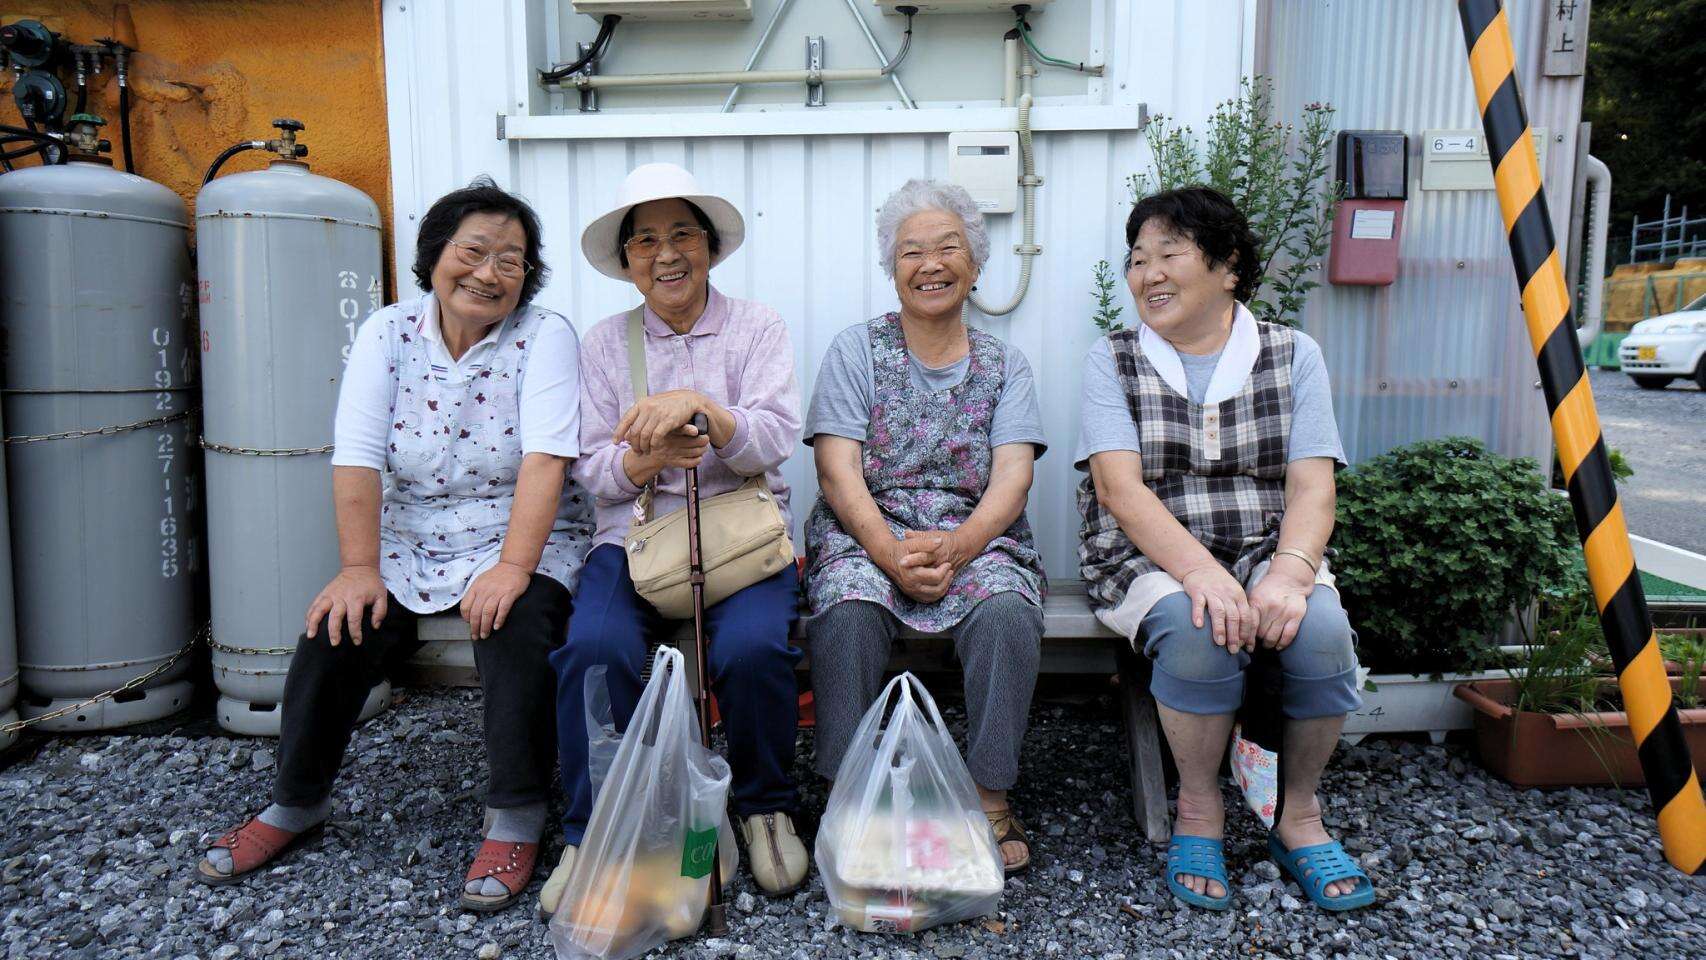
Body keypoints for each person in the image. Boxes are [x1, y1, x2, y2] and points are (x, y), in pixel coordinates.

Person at [197, 178, 592, 915]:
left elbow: (546, 459)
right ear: (434, 255)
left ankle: (515, 815)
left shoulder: (546, 336)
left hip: (519, 533)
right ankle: (296, 800)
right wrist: (357, 567)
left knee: (514, 620)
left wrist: (511, 567)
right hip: (409, 536)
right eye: (473, 251)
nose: (489, 272)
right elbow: (356, 454)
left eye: (512, 260)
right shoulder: (387, 332)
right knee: (336, 626)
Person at [1077, 186, 1373, 911]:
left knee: (1322, 631)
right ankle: (1199, 808)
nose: (1148, 274)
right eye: (1137, 259)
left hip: (1266, 550)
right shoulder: (1112, 359)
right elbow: (1120, 489)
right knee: (1196, 626)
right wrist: (1201, 573)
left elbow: (1312, 488)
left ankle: (1297, 815)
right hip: (1145, 556)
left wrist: (1292, 573)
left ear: (1228, 267)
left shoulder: (1293, 354)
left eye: (1169, 254)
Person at [541, 163, 806, 918]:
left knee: (754, 649)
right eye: (646, 240)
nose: (667, 254)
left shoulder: (758, 327)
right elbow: (592, 469)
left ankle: (764, 806)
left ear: (711, 247)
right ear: (627, 260)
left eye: (683, 234)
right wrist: (647, 459)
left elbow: (777, 436)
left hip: (742, 533)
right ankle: (599, 829)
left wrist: (706, 413)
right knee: (594, 650)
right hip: (636, 536)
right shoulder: (603, 344)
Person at [803, 178, 1047, 874]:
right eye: (912, 251)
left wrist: (961, 545)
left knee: (1007, 610)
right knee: (845, 609)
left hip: (976, 538)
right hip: (866, 533)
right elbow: (837, 471)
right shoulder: (857, 350)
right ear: (892, 267)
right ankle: (848, 797)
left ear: (975, 263)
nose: (931, 264)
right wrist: (886, 551)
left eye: (949, 248)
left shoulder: (1006, 365)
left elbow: (1013, 477)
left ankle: (989, 794)